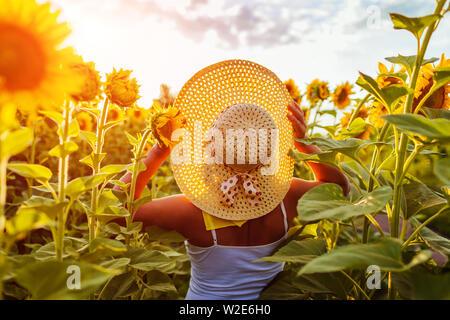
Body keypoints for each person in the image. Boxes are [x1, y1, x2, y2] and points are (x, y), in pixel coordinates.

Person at [117, 100, 350, 300]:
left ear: (212, 145)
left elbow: (118, 212)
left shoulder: (194, 209)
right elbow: (338, 188)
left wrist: (160, 149)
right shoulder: (287, 197)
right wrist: (302, 141)